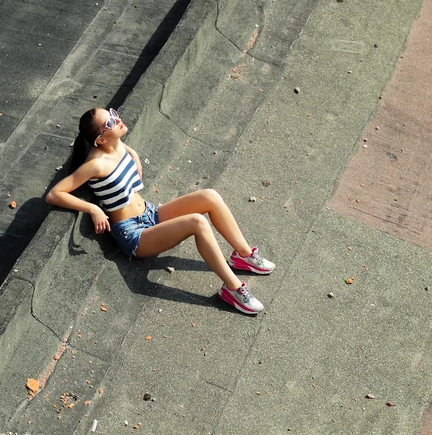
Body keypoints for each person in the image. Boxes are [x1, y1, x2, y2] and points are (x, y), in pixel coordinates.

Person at [46, 108, 275, 315]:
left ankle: (244, 256)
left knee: (210, 196)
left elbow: (126, 150)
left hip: (151, 214)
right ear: (101, 138)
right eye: (110, 122)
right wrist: (93, 208)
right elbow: (54, 194)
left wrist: (135, 156)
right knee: (197, 222)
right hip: (134, 235)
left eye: (113, 114)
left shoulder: (116, 145)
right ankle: (233, 289)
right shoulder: (96, 164)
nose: (117, 119)